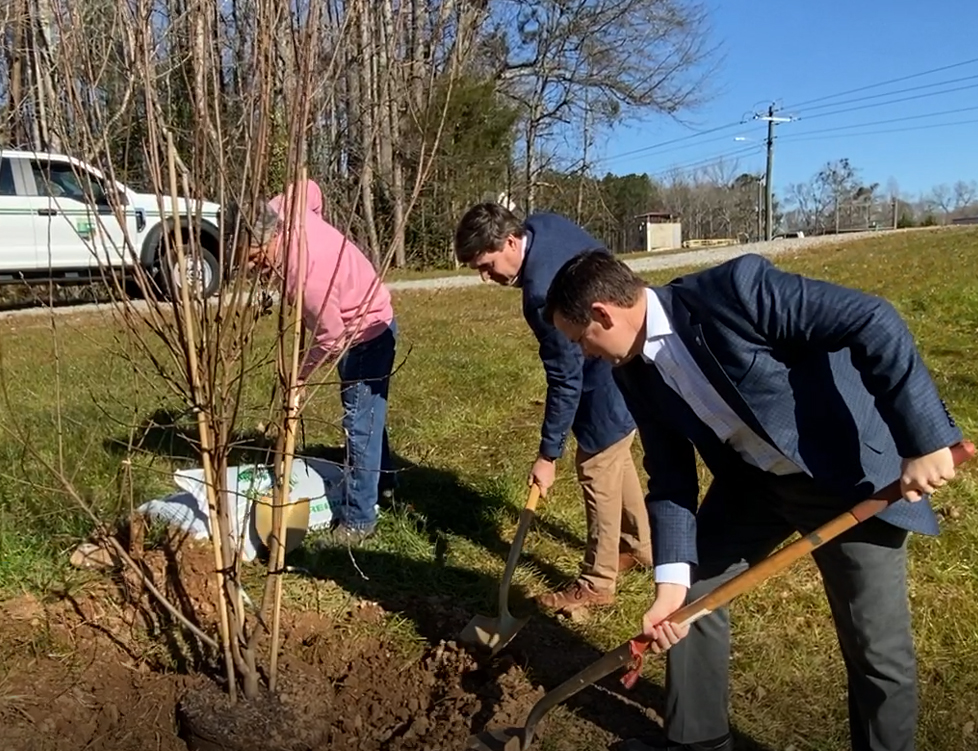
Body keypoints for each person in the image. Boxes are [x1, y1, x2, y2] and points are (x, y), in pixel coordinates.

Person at [542, 249, 961, 751]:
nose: (583, 353)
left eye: (579, 338)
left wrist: (924, 442)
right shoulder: (632, 371)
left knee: (876, 646)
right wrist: (670, 584)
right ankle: (697, 743)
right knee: (690, 594)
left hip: (843, 477)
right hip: (754, 485)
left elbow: (872, 318)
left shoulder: (735, 293)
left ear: (604, 314)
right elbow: (670, 479)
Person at [453, 203, 653, 614]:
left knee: (596, 466)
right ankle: (641, 547)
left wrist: (548, 454)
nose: (487, 278)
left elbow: (566, 377)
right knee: (615, 456)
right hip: (630, 352)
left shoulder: (542, 293)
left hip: (606, 369)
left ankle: (597, 582)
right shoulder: (543, 225)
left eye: (488, 266)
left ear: (510, 241)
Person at [233, 178, 397, 545]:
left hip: (365, 333)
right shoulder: (282, 209)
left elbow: (332, 337)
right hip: (359, 314)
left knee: (359, 426)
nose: (256, 270)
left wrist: (300, 376)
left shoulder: (306, 275)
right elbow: (309, 187)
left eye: (258, 260)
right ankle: (385, 483)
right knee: (369, 415)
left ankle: (359, 521)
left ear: (271, 239)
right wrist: (318, 221)